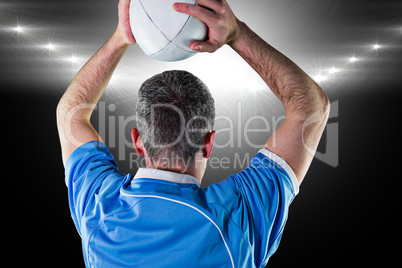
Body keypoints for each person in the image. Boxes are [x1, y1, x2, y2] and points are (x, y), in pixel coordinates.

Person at [56, 0, 329, 267]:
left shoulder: (99, 210)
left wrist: (121, 37)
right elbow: (311, 108)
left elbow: (71, 113)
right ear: (209, 144)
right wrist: (237, 34)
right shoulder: (239, 219)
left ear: (138, 142)